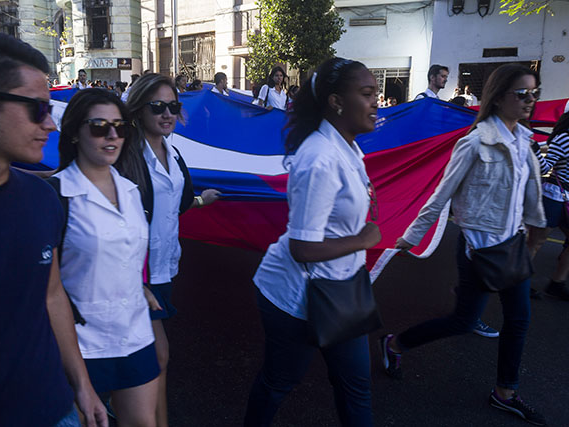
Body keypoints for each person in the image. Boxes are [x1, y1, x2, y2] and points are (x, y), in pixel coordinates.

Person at [0, 28, 107, 427]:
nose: (50, 124)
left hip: (60, 411)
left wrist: (82, 385)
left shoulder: (42, 198)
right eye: (38, 109)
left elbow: (52, 294)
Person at [384, 64, 546, 426]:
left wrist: (537, 229)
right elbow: (441, 195)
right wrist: (411, 237)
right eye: (522, 94)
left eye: (534, 93)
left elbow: (530, 191)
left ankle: (505, 392)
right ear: (499, 96)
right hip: (478, 249)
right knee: (463, 321)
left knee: (519, 321)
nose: (529, 101)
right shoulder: (474, 142)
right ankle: (395, 344)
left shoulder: (525, 140)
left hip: (512, 245)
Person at [244, 57, 381, 426]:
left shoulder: (349, 149)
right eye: (367, 94)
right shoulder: (320, 158)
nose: (376, 102)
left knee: (355, 386)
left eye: (376, 94)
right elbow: (301, 249)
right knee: (279, 382)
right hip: (295, 298)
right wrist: (362, 240)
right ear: (336, 101)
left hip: (340, 291)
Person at [53, 88, 161, 426]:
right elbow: (46, 286)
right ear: (73, 133)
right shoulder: (57, 196)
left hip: (135, 333)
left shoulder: (131, 191)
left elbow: (124, 250)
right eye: (99, 126)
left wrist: (139, 285)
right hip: (82, 345)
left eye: (120, 125)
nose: (112, 135)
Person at [120, 73, 220, 427]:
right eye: (158, 106)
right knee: (157, 355)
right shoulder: (125, 153)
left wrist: (201, 200)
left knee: (148, 357)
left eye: (173, 107)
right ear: (138, 109)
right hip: (135, 272)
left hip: (163, 267)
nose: (167, 114)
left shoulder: (172, 152)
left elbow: (174, 203)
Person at [528, 111, 569, 300]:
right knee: (536, 242)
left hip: (565, 198)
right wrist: (535, 148)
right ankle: (519, 282)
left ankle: (557, 283)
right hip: (554, 195)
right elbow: (545, 167)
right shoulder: (564, 138)